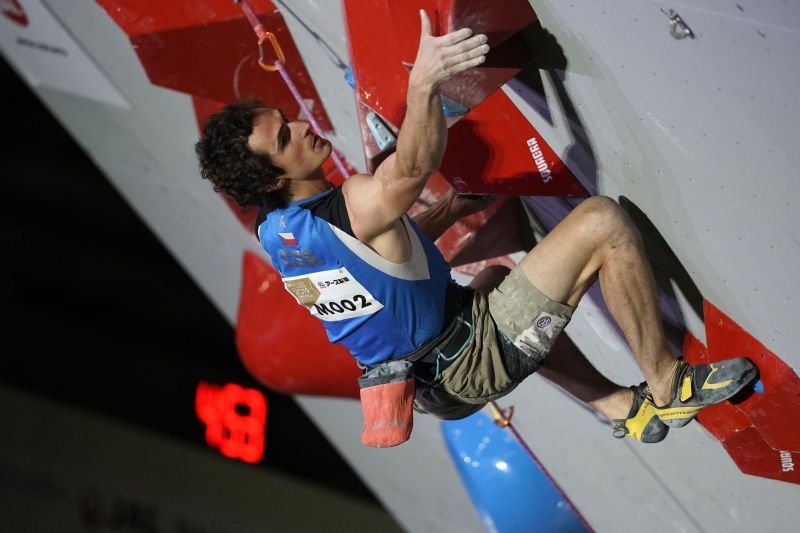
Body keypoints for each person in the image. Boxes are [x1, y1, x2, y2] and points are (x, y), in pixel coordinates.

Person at [195, 11, 757, 443]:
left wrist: (456, 211)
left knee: (491, 280)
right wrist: (426, 83)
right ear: (270, 179)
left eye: (285, 120)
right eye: (284, 139)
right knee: (604, 222)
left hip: (433, 387)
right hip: (466, 362)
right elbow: (411, 171)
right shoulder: (350, 206)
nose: (300, 126)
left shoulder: (282, 234)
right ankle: (668, 384)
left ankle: (618, 406)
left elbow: (385, 268)